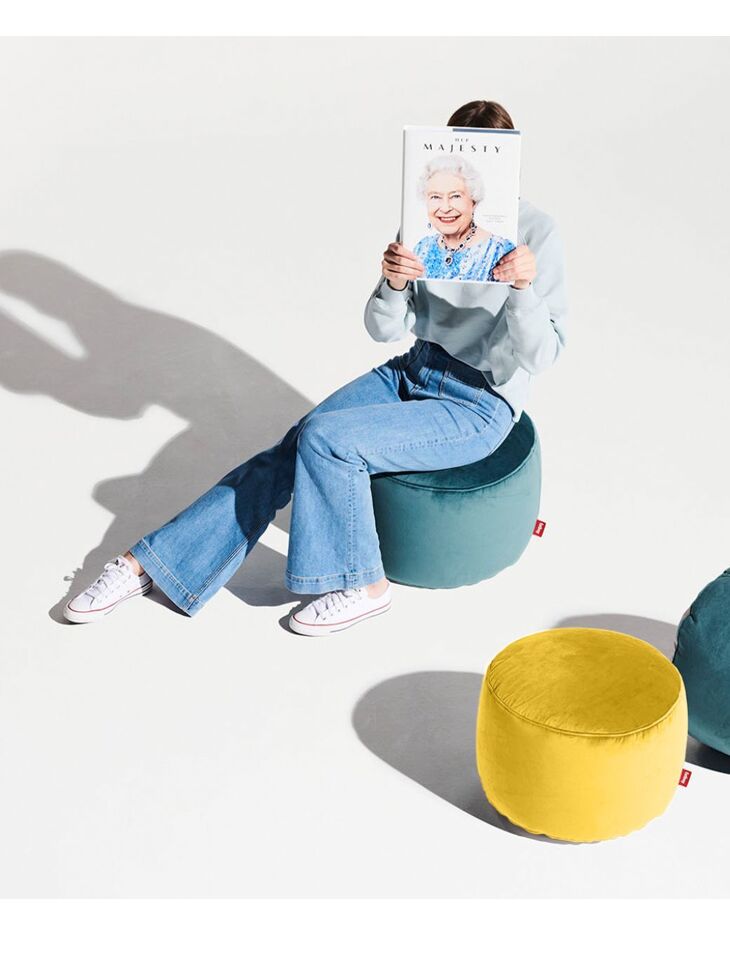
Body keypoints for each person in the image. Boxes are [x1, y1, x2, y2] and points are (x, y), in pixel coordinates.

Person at [63, 99, 567, 635]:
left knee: (328, 440)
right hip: (415, 369)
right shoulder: (425, 216)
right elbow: (384, 331)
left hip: (481, 401)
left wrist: (523, 287)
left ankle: (365, 585)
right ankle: (147, 564)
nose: (451, 198)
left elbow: (543, 356)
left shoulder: (537, 232)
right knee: (294, 443)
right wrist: (393, 281)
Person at [413, 154, 516, 281]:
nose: (445, 208)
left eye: (455, 196)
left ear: (473, 201)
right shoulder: (421, 248)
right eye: (435, 197)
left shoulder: (499, 250)